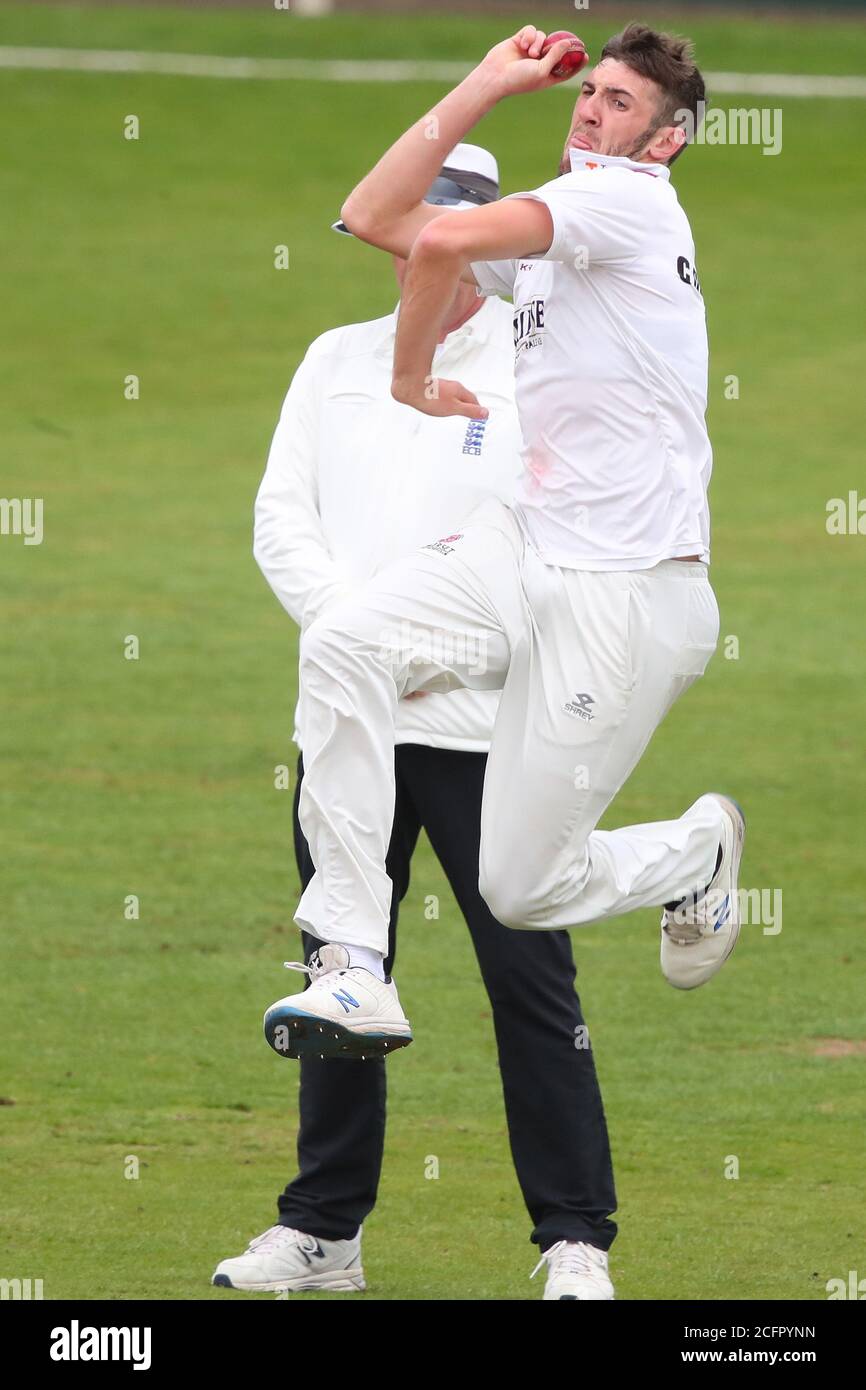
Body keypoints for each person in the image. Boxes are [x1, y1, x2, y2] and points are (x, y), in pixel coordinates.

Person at [212, 148, 618, 1300]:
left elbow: (538, 556)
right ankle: (322, 1234)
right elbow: (278, 520)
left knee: (530, 983)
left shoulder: (527, 375)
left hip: (487, 727)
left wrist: (412, 657)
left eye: (456, 229)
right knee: (342, 972)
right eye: (416, 229)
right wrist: (359, 646)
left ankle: (573, 1238)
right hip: (350, 726)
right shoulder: (333, 362)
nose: (429, 250)